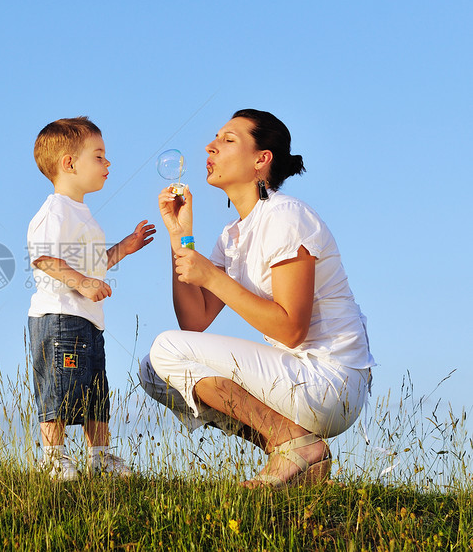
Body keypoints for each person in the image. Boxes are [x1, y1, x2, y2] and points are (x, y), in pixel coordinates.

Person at [139, 109, 375, 488]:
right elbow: (194, 321)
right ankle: (294, 453)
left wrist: (214, 277)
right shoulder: (232, 236)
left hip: (330, 381)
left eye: (228, 140)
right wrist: (179, 236)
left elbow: (291, 329)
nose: (210, 146)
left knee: (166, 348)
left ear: (261, 160)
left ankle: (293, 445)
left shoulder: (286, 215)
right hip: (294, 380)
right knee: (154, 369)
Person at [28, 116, 155, 480]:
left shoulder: (81, 213)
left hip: (87, 320)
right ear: (69, 163)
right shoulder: (55, 210)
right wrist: (81, 284)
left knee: (96, 389)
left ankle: (99, 457)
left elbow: (95, 265)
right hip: (59, 317)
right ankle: (53, 456)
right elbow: (44, 258)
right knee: (59, 387)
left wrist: (123, 249)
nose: (107, 163)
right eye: (98, 156)